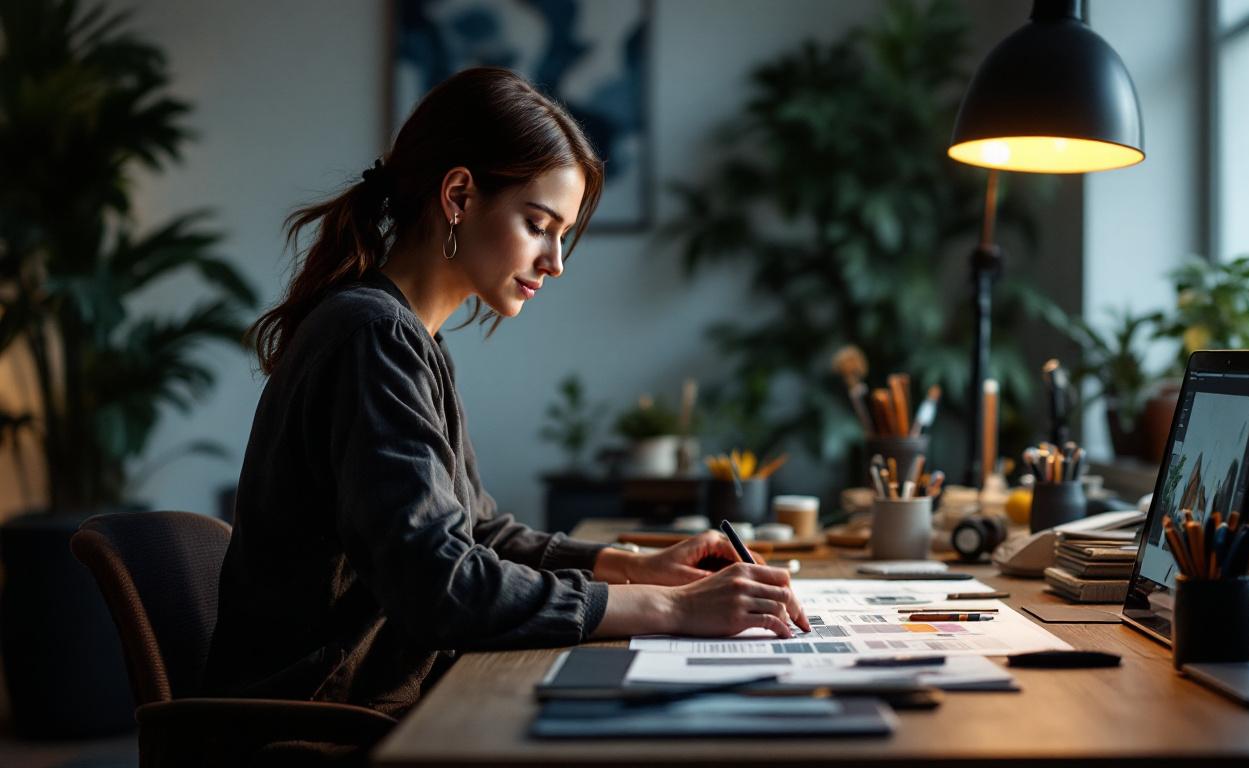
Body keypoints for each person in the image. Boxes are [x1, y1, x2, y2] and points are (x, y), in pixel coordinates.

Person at [204, 68, 809, 719]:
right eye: (538, 224)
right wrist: (672, 608)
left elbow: (478, 534)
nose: (556, 261)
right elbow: (440, 586)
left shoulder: (405, 335)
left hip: (365, 702)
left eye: (561, 233)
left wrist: (639, 568)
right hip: (321, 721)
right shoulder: (372, 335)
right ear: (459, 195)